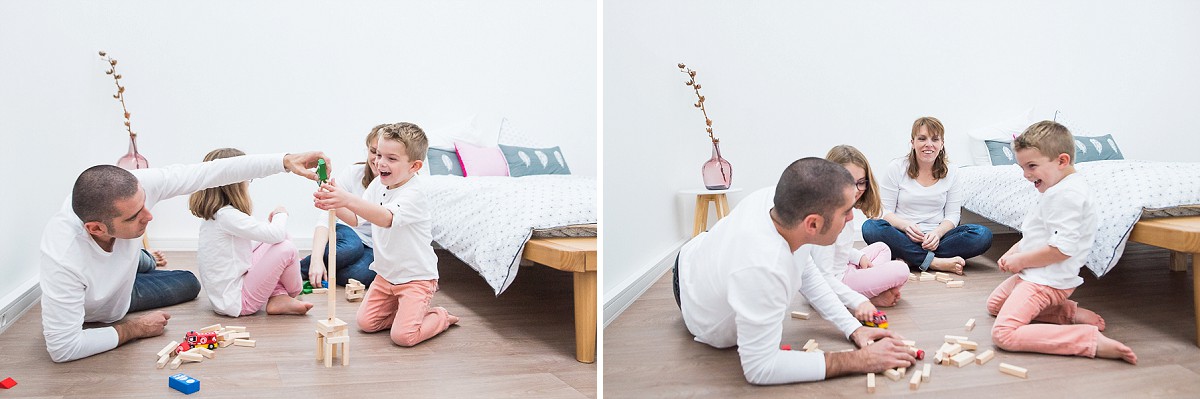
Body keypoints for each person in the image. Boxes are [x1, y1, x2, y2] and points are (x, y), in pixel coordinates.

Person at [40, 151, 328, 362]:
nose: (149, 216)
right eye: (135, 216)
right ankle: (144, 261)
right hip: (108, 306)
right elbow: (63, 347)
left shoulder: (134, 187)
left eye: (145, 204)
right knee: (161, 279)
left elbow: (211, 172)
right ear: (96, 228)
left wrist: (284, 162)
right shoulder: (63, 257)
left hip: (124, 280)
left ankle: (144, 260)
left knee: (190, 283)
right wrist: (134, 329)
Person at [673, 157, 915, 385]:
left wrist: (853, 328)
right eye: (845, 212)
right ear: (813, 224)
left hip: (699, 252)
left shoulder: (785, 205)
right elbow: (760, 368)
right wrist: (860, 360)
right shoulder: (762, 268)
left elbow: (807, 273)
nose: (852, 217)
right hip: (690, 293)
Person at [986, 121, 1136, 364]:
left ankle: (1087, 340)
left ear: (1062, 161)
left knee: (1004, 333)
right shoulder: (1057, 188)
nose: (1026, 175)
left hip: (1046, 282)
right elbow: (1038, 233)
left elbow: (1062, 249)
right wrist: (1015, 251)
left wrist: (1020, 260)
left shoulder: (1068, 195)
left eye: (1032, 166)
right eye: (1022, 167)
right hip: (1035, 274)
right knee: (995, 305)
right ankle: (1068, 312)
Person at [314, 122, 459, 346]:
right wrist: (332, 203)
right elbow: (356, 219)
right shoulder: (377, 186)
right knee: (366, 323)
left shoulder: (415, 193)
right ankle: (407, 315)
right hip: (386, 276)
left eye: (391, 158)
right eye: (379, 155)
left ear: (414, 166)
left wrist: (346, 198)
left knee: (403, 337)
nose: (380, 162)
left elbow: (386, 218)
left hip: (415, 278)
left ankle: (438, 316)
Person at [189, 148, 313, 317]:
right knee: (287, 248)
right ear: (235, 183)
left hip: (229, 294)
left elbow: (260, 240)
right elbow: (275, 234)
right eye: (248, 178)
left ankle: (279, 297)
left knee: (281, 238)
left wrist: (272, 228)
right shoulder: (228, 216)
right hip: (238, 302)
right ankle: (292, 292)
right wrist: (281, 214)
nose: (248, 183)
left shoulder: (218, 215)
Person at [862, 116, 992, 274]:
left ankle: (909, 256)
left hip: (938, 239)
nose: (928, 145)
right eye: (922, 139)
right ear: (912, 142)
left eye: (935, 139)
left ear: (942, 143)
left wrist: (937, 234)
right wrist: (905, 226)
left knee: (982, 235)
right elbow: (883, 211)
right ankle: (934, 262)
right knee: (871, 227)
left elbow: (952, 216)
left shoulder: (953, 172)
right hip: (902, 234)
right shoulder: (896, 168)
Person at [811, 145, 909, 311]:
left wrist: (858, 258)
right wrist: (857, 301)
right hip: (835, 284)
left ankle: (871, 287)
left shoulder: (844, 208)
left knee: (882, 248)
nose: (856, 190)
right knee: (901, 269)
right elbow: (822, 278)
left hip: (845, 269)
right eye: (848, 182)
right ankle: (871, 295)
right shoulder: (825, 217)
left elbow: (840, 248)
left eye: (861, 183)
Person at [301, 125, 384, 288]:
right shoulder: (355, 174)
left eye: (386, 156)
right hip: (349, 234)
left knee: (360, 274)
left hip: (374, 246)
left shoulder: (396, 186)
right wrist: (316, 260)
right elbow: (334, 217)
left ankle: (324, 270)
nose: (378, 160)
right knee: (352, 247)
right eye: (374, 152)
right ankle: (298, 268)